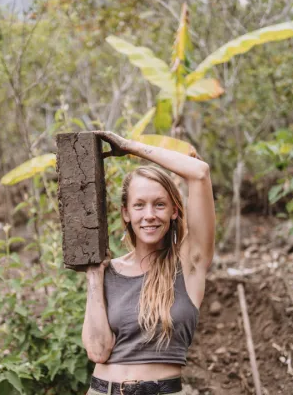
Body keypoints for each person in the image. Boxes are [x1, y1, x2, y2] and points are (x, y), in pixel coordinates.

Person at [82, 131, 215, 395]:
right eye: (139, 205)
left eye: (160, 205)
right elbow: (98, 350)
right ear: (126, 213)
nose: (150, 215)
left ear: (175, 211)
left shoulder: (189, 264)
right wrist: (95, 278)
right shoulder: (108, 271)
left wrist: (131, 147)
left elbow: (200, 172)